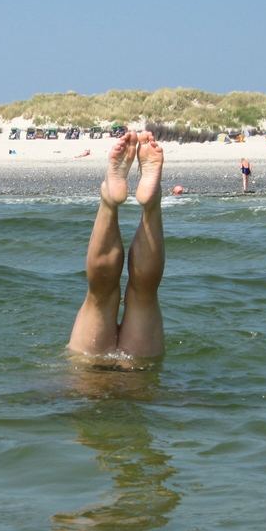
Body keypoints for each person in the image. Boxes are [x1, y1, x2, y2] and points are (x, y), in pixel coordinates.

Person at [68, 130, 165, 361]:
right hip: (140, 382)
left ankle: (109, 201)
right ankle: (151, 205)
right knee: (144, 296)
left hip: (88, 380)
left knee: (99, 295)